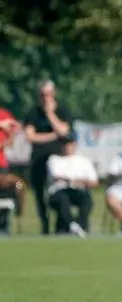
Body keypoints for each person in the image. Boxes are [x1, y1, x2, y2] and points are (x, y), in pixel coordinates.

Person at [22, 81, 74, 235]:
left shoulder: (62, 111)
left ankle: (61, 225)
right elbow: (30, 136)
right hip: (38, 159)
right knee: (39, 194)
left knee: (60, 192)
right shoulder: (33, 113)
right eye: (43, 95)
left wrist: (50, 114)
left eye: (49, 94)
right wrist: (53, 135)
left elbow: (64, 131)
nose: (46, 98)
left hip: (59, 160)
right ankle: (45, 225)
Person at [46, 136, 98, 237]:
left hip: (78, 190)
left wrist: (74, 181)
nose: (68, 148)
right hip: (58, 190)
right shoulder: (54, 159)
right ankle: (72, 225)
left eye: (70, 145)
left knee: (86, 200)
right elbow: (56, 176)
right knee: (63, 200)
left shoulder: (83, 161)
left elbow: (93, 181)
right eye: (65, 145)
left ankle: (81, 226)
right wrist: (77, 180)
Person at [0, 108, 26, 222]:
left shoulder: (4, 114)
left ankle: (7, 222)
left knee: (17, 186)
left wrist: (9, 132)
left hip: (2, 166)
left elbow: (11, 138)